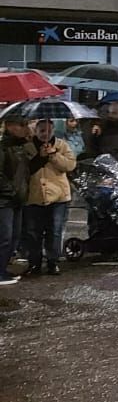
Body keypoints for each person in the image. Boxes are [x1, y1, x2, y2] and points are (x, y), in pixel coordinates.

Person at [20, 119, 75, 275]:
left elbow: (69, 165)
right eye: (42, 131)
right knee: (33, 232)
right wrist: (41, 156)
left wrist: (53, 155)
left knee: (54, 230)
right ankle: (34, 263)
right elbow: (25, 170)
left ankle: (53, 262)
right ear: (36, 132)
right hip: (34, 196)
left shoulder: (62, 145)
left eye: (49, 131)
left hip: (58, 196)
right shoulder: (27, 147)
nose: (46, 134)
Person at [0, 121, 27, 285]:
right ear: (10, 126)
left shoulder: (21, 147)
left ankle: (3, 268)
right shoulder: (3, 148)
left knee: (14, 237)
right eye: (21, 125)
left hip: (17, 199)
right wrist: (11, 192)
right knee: (4, 237)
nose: (25, 128)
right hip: (4, 200)